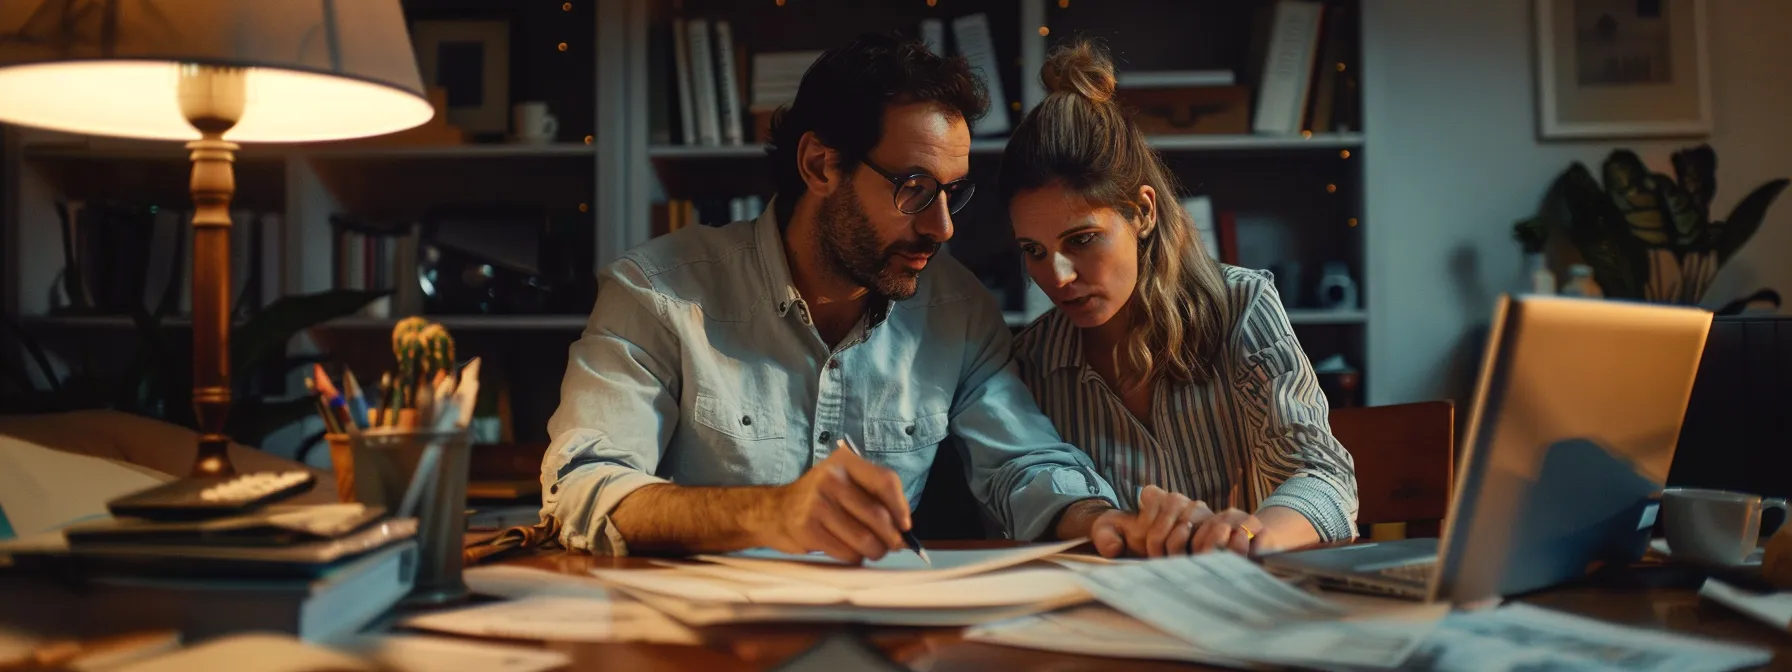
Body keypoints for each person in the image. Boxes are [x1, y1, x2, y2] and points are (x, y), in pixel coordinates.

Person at [540, 33, 1186, 561]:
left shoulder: (958, 312)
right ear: (821, 166)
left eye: (952, 192)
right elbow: (584, 485)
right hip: (699, 645)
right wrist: (769, 513)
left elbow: (1023, 463)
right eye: (913, 187)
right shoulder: (656, 291)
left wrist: (1100, 520)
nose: (943, 227)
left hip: (884, 637)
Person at [998, 41, 1360, 558]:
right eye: (1033, 250)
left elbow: (1322, 474)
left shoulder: (1241, 307)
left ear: (1142, 212)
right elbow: (1020, 503)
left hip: (1242, 602)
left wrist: (1247, 537)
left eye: (1081, 240)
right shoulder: (1032, 361)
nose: (1056, 277)